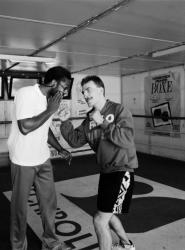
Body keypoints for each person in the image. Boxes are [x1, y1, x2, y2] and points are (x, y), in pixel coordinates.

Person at [59, 75, 138, 250]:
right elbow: (75, 140)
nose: (85, 95)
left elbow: (126, 139)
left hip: (121, 171)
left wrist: (102, 123)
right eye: (83, 91)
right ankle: (127, 245)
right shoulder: (89, 119)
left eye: (88, 90)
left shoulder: (118, 110)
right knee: (106, 214)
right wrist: (65, 122)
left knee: (100, 220)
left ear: (101, 90)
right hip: (106, 172)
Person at [7, 66, 73, 250]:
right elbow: (25, 127)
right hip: (23, 160)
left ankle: (50, 242)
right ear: (52, 82)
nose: (65, 91)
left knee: (49, 204)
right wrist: (50, 110)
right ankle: (18, 246)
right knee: (20, 209)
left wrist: (60, 148)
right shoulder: (25, 93)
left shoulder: (49, 100)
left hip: (42, 158)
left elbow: (45, 128)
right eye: (64, 86)